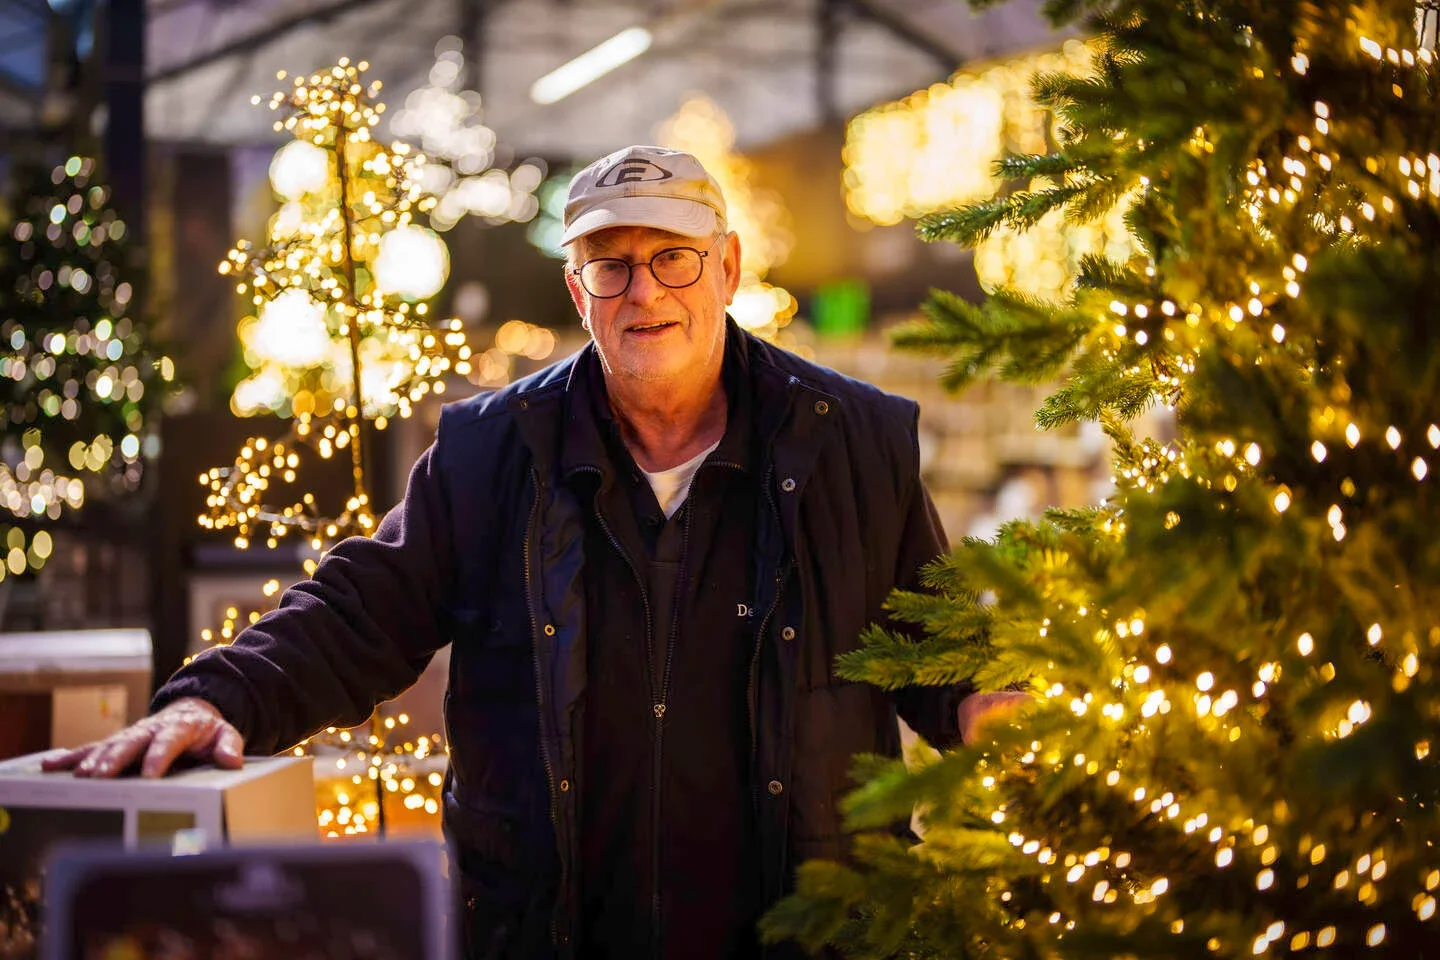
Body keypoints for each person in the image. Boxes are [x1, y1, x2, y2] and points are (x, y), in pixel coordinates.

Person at [45, 145, 1024, 959]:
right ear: (578, 288)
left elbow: (929, 642)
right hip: (549, 933)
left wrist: (996, 708)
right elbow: (360, 610)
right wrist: (217, 694)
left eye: (673, 258)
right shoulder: (492, 451)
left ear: (726, 268)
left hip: (807, 932)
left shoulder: (851, 442)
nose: (644, 291)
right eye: (611, 263)